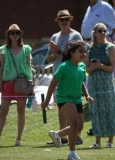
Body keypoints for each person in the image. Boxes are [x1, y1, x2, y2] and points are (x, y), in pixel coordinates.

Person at [41, 40, 94, 160]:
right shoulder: (64, 67)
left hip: (77, 99)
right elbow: (52, 84)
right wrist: (47, 101)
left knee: (79, 127)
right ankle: (72, 153)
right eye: (80, 51)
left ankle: (56, 134)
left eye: (85, 52)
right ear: (71, 52)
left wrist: (87, 95)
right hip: (64, 98)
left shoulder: (82, 66)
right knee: (74, 123)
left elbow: (81, 83)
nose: (83, 54)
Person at [0, 24, 33, 147]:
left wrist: (31, 82)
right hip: (8, 82)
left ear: (20, 35)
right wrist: (0, 83)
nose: (15, 35)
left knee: (21, 111)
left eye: (17, 33)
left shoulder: (26, 49)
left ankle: (19, 139)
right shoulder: (4, 49)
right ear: (8, 35)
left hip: (22, 82)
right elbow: (2, 67)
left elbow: (28, 67)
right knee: (3, 111)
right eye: (12, 33)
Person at [46, 9, 84, 145]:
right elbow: (49, 59)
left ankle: (77, 136)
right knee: (61, 107)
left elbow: (79, 56)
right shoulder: (54, 37)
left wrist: (59, 50)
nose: (64, 22)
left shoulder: (76, 36)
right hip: (59, 75)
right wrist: (54, 53)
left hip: (73, 76)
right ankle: (61, 137)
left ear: (70, 20)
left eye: (66, 19)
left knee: (75, 105)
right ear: (57, 21)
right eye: (61, 19)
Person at [85, 23, 115, 149]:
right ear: (94, 32)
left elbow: (112, 68)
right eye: (100, 30)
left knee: (111, 109)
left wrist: (101, 66)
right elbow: (87, 70)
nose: (103, 33)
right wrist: (93, 67)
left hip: (107, 82)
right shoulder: (89, 49)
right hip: (94, 83)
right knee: (96, 111)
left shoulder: (110, 47)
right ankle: (97, 142)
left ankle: (110, 141)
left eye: (105, 31)